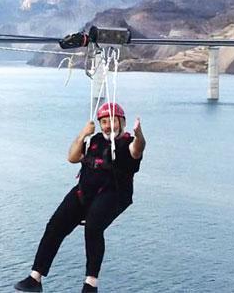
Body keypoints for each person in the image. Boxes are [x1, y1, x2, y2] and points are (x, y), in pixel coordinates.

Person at [15, 102, 146, 292]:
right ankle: (36, 278)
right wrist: (83, 134)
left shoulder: (127, 142)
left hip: (114, 194)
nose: (108, 125)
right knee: (55, 226)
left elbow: (138, 149)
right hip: (84, 192)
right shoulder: (95, 141)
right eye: (104, 122)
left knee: (93, 227)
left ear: (122, 122)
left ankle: (90, 284)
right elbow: (72, 158)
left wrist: (139, 134)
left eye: (112, 120)